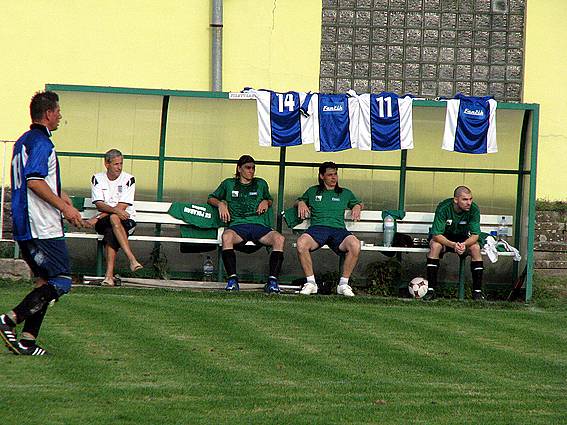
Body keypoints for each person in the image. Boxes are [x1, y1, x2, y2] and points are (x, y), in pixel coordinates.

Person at [0, 90, 85, 356]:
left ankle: (27, 341)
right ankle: (8, 320)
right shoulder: (42, 144)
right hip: (40, 226)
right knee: (61, 281)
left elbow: (43, 182)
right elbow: (35, 181)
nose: (60, 116)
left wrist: (67, 205)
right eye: (58, 111)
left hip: (26, 223)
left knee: (44, 282)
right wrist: (64, 209)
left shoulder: (24, 141)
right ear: (48, 114)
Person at [208, 155, 285, 293]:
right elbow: (211, 198)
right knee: (226, 237)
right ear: (239, 169)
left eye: (253, 168)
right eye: (247, 168)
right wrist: (220, 203)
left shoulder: (260, 183)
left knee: (279, 238)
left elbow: (269, 199)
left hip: (259, 226)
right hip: (238, 227)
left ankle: (273, 282)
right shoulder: (229, 184)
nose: (251, 171)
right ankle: (232, 280)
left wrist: (266, 202)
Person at [295, 161, 363, 297]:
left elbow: (358, 202)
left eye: (335, 174)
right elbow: (298, 200)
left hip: (338, 230)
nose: (334, 178)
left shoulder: (345, 193)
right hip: (317, 229)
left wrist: (357, 206)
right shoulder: (312, 191)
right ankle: (311, 283)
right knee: (301, 243)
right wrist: (301, 202)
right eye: (330, 175)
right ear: (322, 176)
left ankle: (343, 284)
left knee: (355, 244)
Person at [85, 149, 143, 286]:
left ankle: (109, 277)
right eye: (116, 164)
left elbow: (122, 208)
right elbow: (99, 204)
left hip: (126, 219)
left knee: (112, 225)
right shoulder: (97, 178)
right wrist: (108, 214)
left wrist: (98, 218)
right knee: (114, 219)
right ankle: (131, 258)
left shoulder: (129, 179)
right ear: (107, 164)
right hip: (106, 220)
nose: (119, 167)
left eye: (121, 163)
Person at [425, 186, 484, 301]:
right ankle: (431, 291)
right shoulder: (444, 208)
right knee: (435, 246)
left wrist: (464, 245)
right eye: (465, 200)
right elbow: (436, 234)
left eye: (470, 199)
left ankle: (477, 293)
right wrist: (453, 245)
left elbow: (475, 235)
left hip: (463, 239)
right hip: (444, 238)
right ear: (456, 200)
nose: (469, 203)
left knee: (475, 248)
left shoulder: (474, 209)